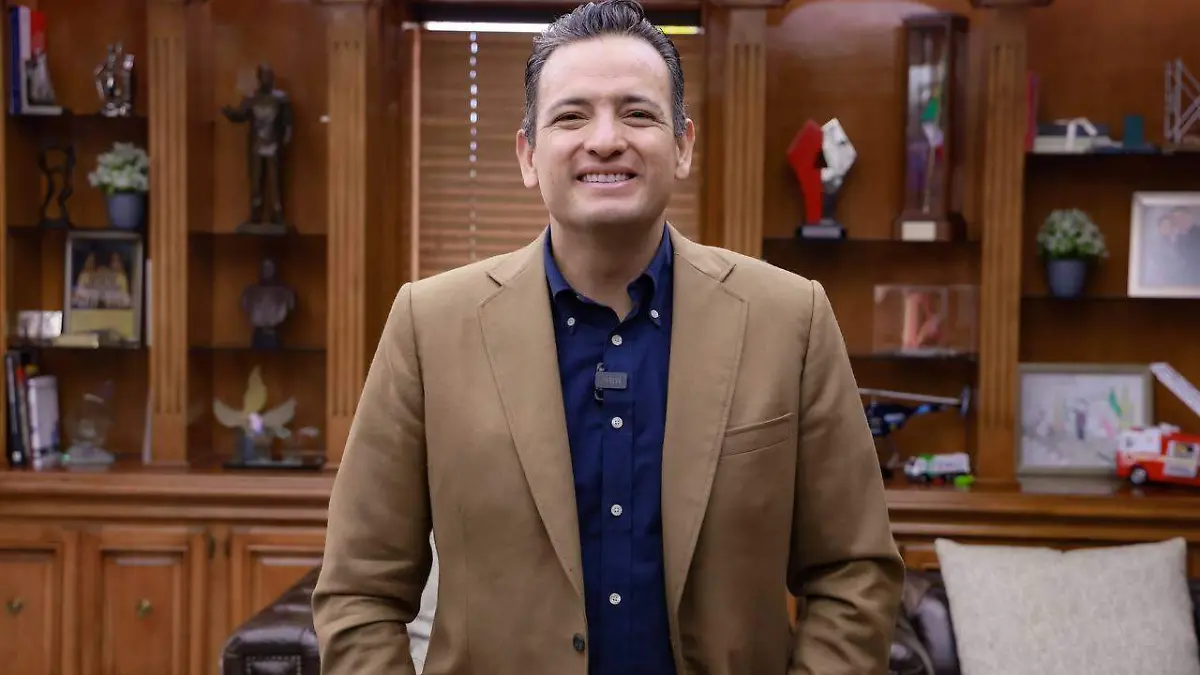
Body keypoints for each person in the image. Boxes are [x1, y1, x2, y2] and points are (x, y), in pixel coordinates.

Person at [311, 0, 904, 673]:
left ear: (682, 146)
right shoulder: (430, 325)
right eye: (571, 116)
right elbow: (359, 589)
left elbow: (854, 570)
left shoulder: (790, 319)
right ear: (528, 154)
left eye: (637, 113)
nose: (604, 140)